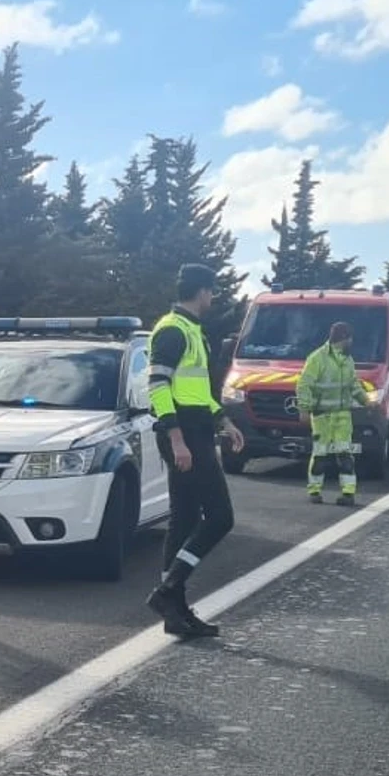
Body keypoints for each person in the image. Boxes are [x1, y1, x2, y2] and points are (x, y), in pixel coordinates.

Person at [144, 264, 244, 640]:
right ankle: (168, 590)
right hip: (183, 435)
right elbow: (157, 385)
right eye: (212, 291)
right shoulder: (172, 329)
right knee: (220, 517)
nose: (214, 298)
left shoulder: (193, 331)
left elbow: (199, 393)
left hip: (198, 430)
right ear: (201, 291)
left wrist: (223, 421)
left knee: (184, 520)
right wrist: (176, 438)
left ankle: (175, 611)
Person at [297, 322, 369, 506]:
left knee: (345, 456)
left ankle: (348, 493)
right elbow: (304, 384)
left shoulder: (347, 359)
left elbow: (353, 384)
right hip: (322, 416)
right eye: (350, 338)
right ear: (344, 338)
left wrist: (365, 400)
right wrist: (304, 409)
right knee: (320, 455)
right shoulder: (317, 358)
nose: (351, 342)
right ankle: (314, 491)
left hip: (343, 416)